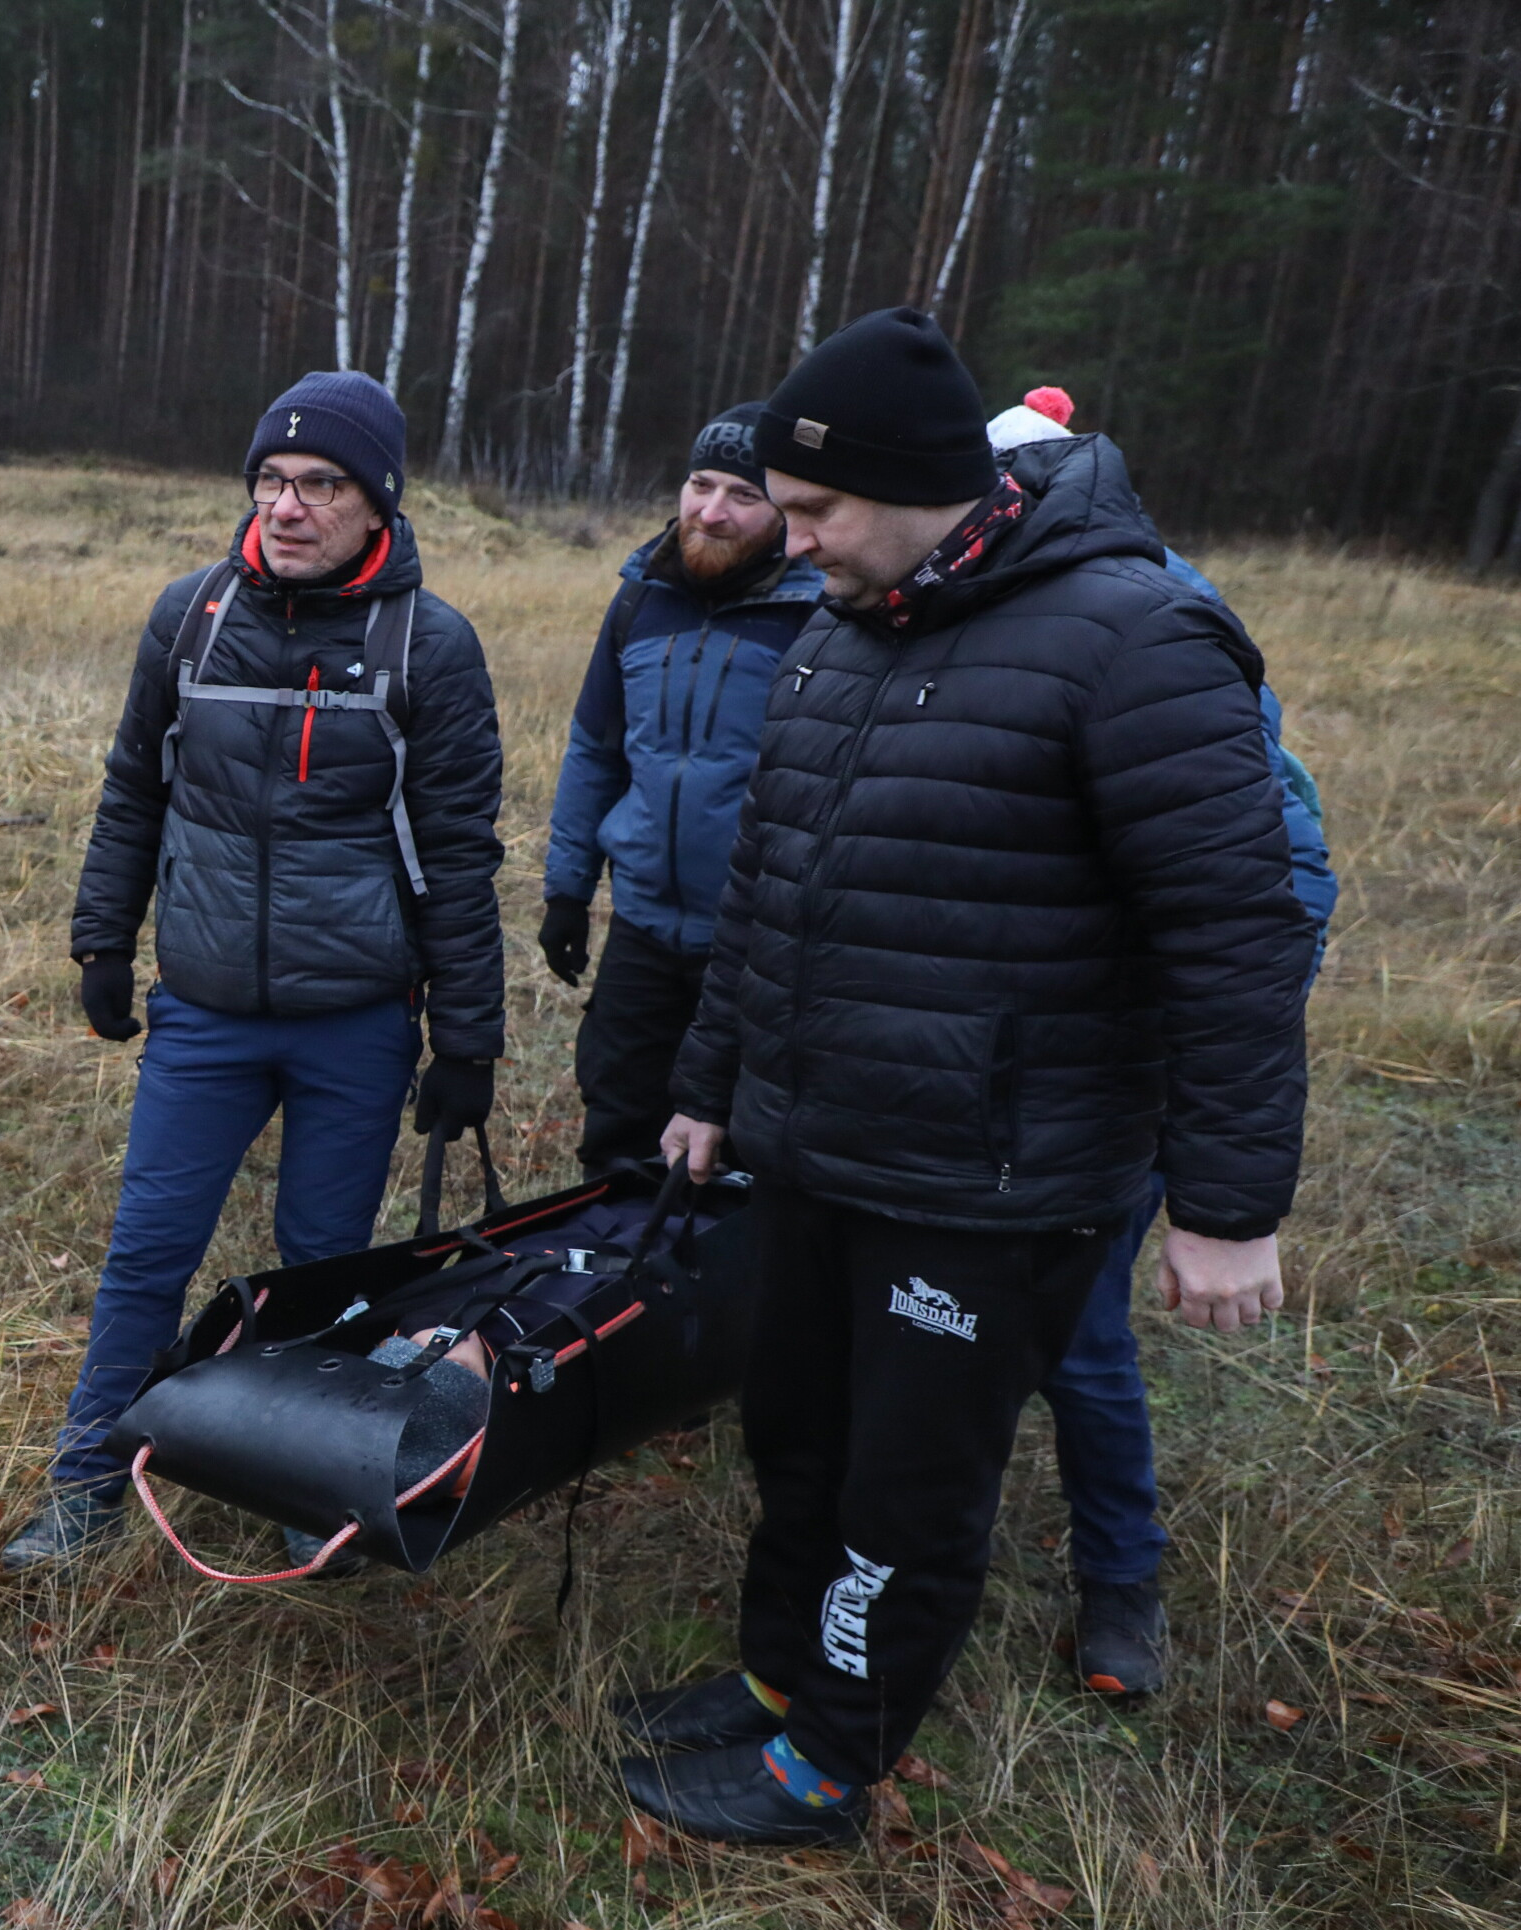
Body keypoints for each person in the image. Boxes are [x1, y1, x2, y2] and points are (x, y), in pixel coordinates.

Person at [616, 308, 1315, 1846]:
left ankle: (830, 1766)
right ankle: (781, 1685)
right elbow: (767, 888)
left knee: (904, 1488)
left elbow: (1233, 936)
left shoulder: (1138, 640)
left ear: (923, 481)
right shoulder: (846, 628)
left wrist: (1230, 1202)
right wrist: (713, 1075)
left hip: (993, 1178)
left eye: (814, 513)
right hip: (816, 1141)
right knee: (795, 1440)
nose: (790, 546)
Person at [1, 370, 508, 1579]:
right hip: (207, 1015)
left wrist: (469, 1037)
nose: (289, 507)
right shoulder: (191, 616)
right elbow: (135, 791)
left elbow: (458, 850)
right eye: (272, 481)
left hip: (355, 1023)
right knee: (148, 1249)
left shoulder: (426, 645)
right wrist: (101, 940)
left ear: (374, 499)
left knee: (322, 1267)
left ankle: (302, 1486)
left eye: (320, 484)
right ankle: (85, 1481)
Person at [982, 391, 1339, 1697]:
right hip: (993, 1056)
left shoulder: (1154, 630)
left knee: (1077, 1334)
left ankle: (1121, 1584)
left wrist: (1216, 1176)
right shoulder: (962, 608)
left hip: (1108, 1063)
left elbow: (1249, 920)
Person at [540, 404, 827, 1168]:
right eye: (700, 484)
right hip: (639, 929)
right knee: (618, 1121)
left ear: (784, 510)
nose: (711, 511)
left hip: (753, 943)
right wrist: (568, 891)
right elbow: (594, 752)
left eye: (743, 495)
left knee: (731, 1144)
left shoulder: (820, 617)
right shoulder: (638, 601)